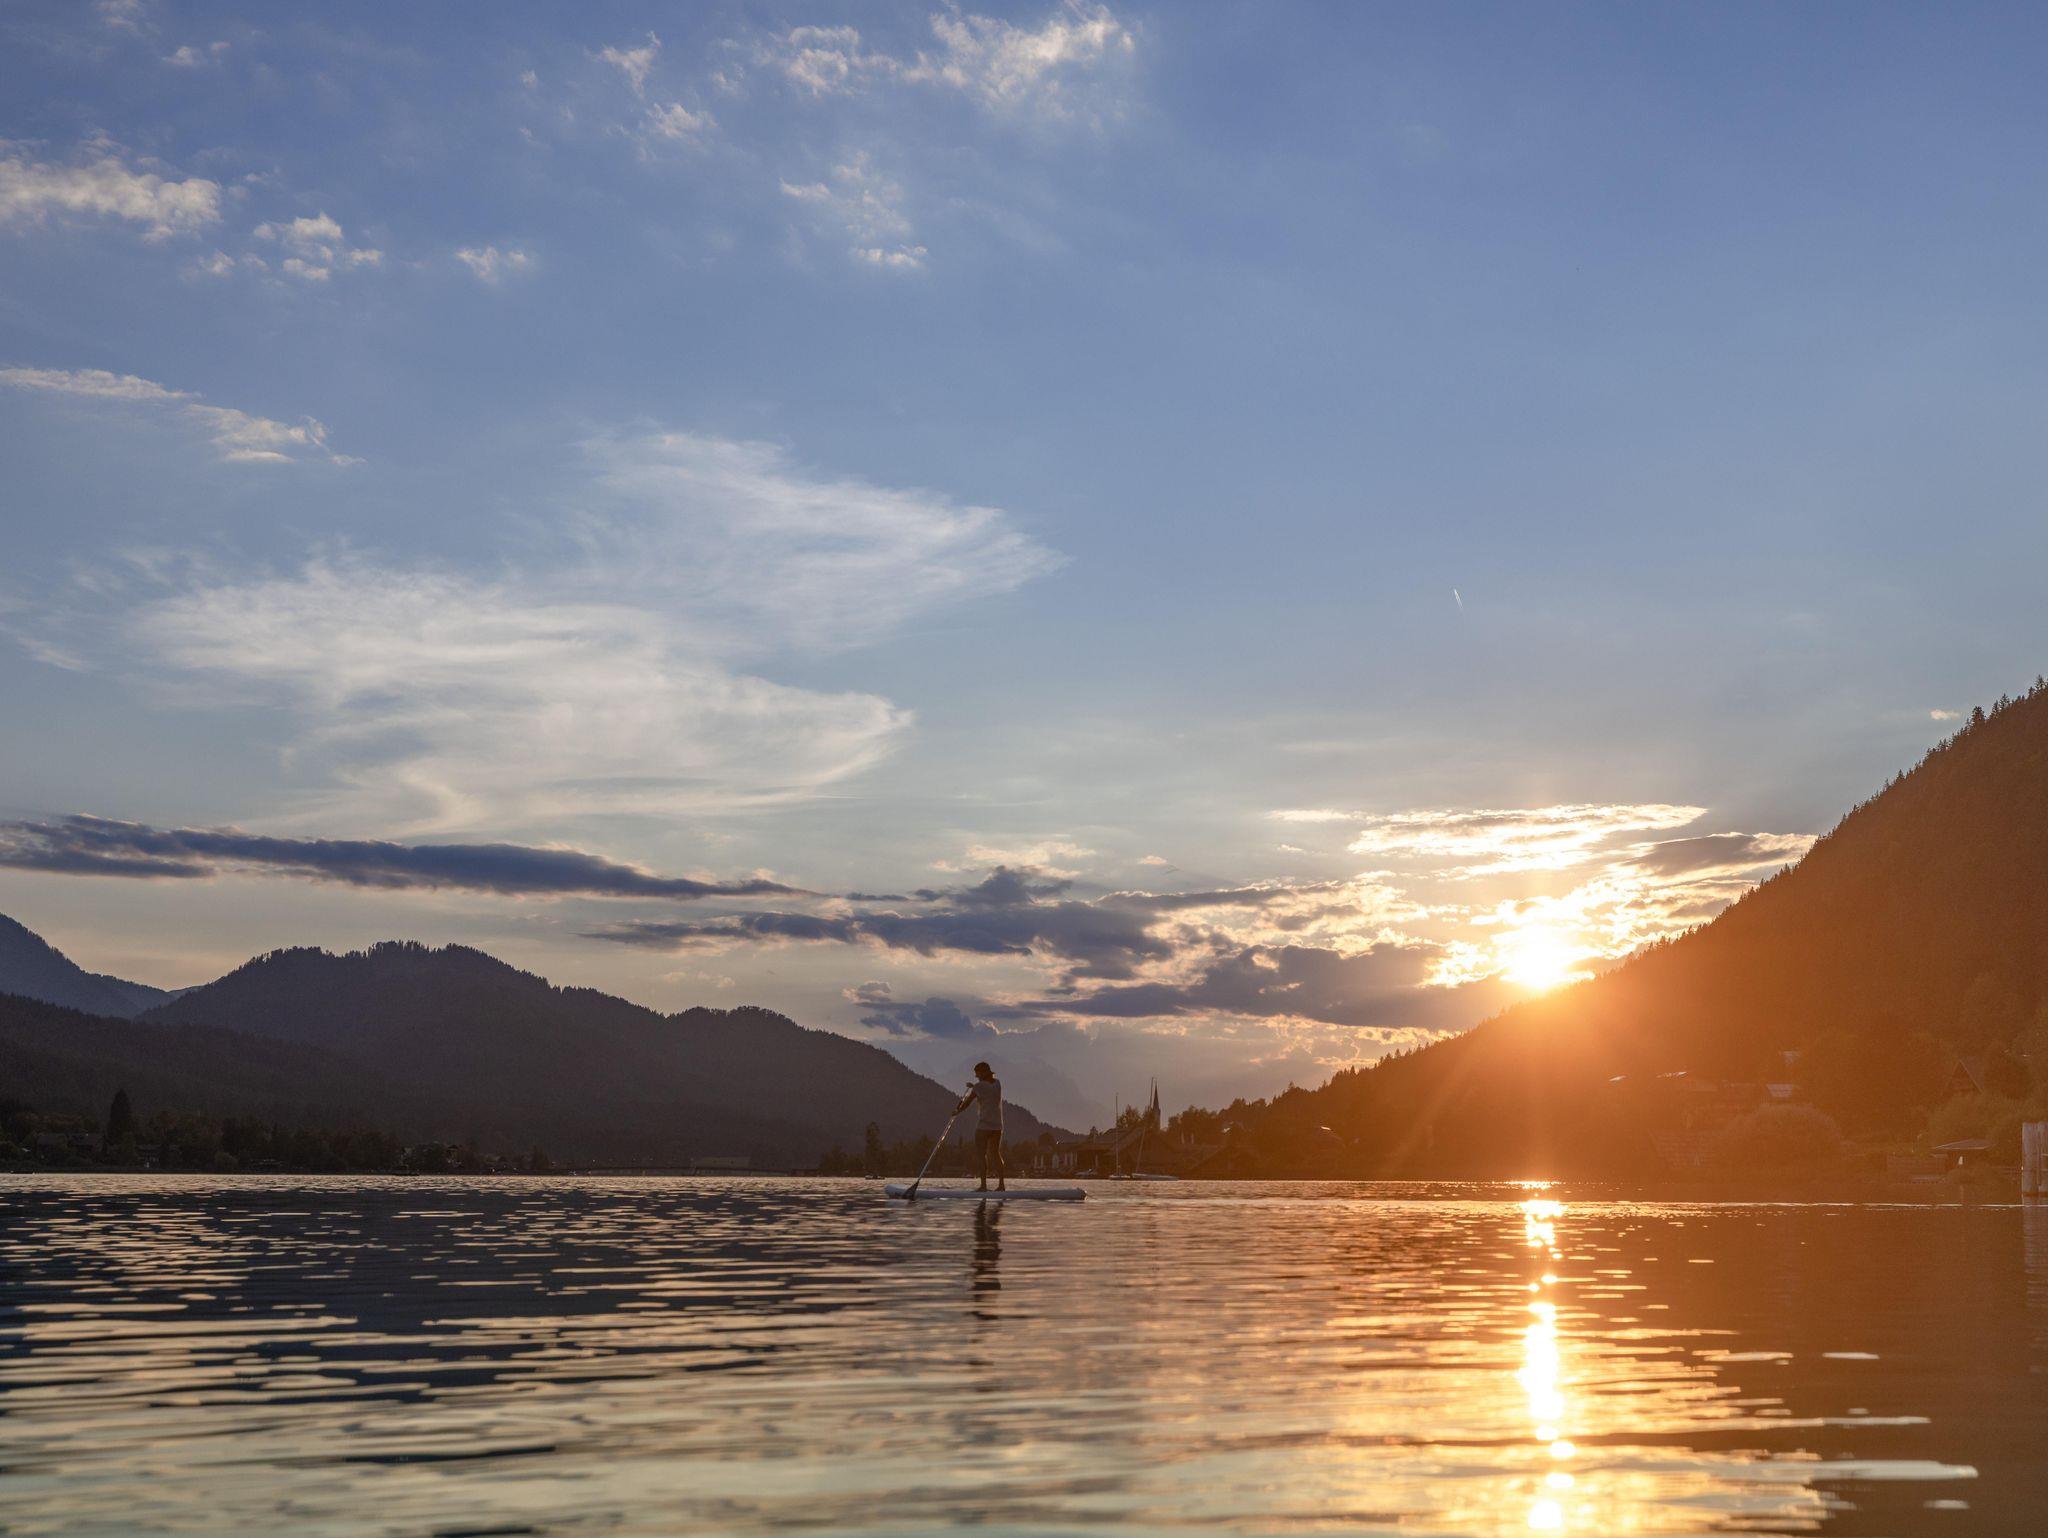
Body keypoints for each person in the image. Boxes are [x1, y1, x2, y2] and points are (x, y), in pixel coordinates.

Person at [956, 1061, 1005, 1192]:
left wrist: (957, 1111)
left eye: (977, 1074)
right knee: (996, 1154)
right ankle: (1001, 1185)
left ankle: (983, 1186)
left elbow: (968, 1102)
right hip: (997, 1126)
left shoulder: (978, 1087)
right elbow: (986, 1089)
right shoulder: (998, 1083)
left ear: (982, 1073)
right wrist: (974, 1087)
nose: (976, 1076)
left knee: (981, 1155)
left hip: (984, 1126)